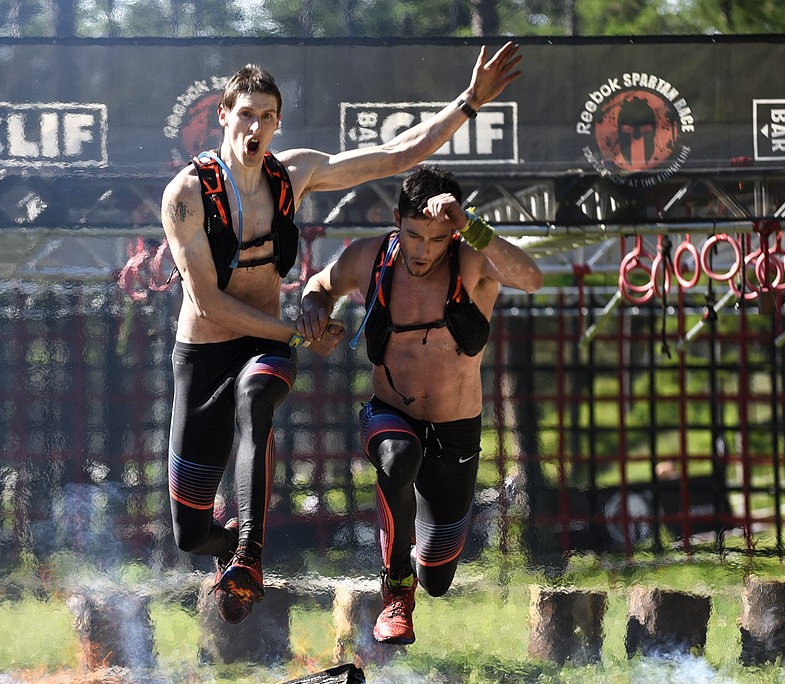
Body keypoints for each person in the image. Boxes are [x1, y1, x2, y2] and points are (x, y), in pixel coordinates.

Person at [162, 44, 524, 625]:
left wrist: (469, 102)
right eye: (246, 114)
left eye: (267, 117)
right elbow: (208, 301)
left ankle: (251, 556)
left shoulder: (294, 173)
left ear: (277, 125)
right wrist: (298, 330)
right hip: (204, 350)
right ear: (222, 115)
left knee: (258, 396)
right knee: (188, 532)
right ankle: (228, 545)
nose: (255, 127)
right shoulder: (185, 194)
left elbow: (396, 154)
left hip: (263, 346)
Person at [296, 166, 543, 644]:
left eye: (435, 239)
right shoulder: (371, 258)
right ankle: (395, 591)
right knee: (399, 455)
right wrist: (314, 311)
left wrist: (469, 224)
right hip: (389, 414)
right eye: (413, 236)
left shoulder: (472, 259)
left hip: (455, 433)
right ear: (397, 221)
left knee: (438, 578)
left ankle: (417, 571)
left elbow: (532, 278)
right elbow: (320, 286)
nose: (423, 250)